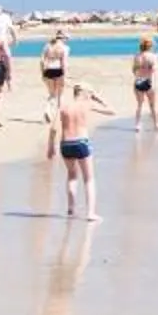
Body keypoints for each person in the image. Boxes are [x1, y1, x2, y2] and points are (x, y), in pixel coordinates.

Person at [55, 75, 117, 218]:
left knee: (71, 176)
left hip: (65, 143)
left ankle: (71, 208)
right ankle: (90, 213)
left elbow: (55, 127)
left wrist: (51, 145)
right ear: (85, 93)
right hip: (81, 141)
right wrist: (98, 99)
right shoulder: (87, 104)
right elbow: (112, 110)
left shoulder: (64, 106)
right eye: (90, 93)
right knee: (89, 178)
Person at [37, 30, 72, 157]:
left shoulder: (48, 46)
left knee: (52, 94)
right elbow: (64, 63)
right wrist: (66, 76)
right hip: (58, 70)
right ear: (63, 38)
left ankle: (47, 109)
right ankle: (59, 116)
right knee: (60, 95)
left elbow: (41, 60)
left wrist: (42, 72)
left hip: (48, 70)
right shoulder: (65, 48)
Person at [130, 36, 158, 131]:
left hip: (138, 81)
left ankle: (137, 125)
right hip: (149, 82)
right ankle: (156, 124)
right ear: (150, 46)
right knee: (152, 105)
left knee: (139, 104)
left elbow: (134, 70)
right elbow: (154, 69)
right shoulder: (152, 56)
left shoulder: (137, 56)